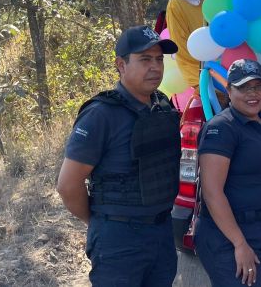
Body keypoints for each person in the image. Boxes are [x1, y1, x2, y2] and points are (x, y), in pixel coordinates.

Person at [56, 25, 181, 286]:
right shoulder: (101, 114)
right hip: (119, 240)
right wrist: (98, 223)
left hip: (161, 233)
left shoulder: (162, 105)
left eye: (159, 59)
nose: (155, 67)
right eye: (145, 59)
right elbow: (68, 185)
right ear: (121, 65)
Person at [194, 59, 261, 287]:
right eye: (243, 87)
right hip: (229, 234)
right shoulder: (222, 128)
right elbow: (212, 193)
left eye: (258, 86)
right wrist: (239, 243)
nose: (252, 94)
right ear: (229, 90)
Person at [166, 0, 216, 87]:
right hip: (194, 65)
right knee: (214, 88)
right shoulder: (177, 3)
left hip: (222, 63)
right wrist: (203, 71)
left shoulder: (217, 0)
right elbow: (180, 46)